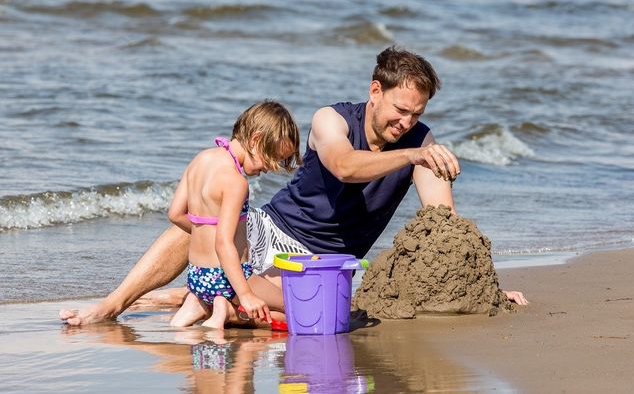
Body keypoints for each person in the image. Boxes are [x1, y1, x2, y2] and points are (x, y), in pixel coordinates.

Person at [60, 46, 526, 326]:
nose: (406, 123)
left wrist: (480, 284)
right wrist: (411, 154)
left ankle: (190, 297)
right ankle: (113, 304)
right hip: (269, 230)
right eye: (399, 109)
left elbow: (442, 229)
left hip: (319, 265)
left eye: (416, 115)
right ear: (375, 91)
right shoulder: (332, 119)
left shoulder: (421, 147)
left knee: (304, 319)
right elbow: (343, 166)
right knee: (198, 226)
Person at [166, 100, 301, 328]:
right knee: (296, 308)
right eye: (272, 158)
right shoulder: (236, 182)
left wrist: (205, 236)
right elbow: (223, 243)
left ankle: (197, 307)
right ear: (256, 139)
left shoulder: (201, 159)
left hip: (198, 277)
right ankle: (226, 308)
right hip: (229, 278)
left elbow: (175, 214)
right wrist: (246, 294)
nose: (269, 168)